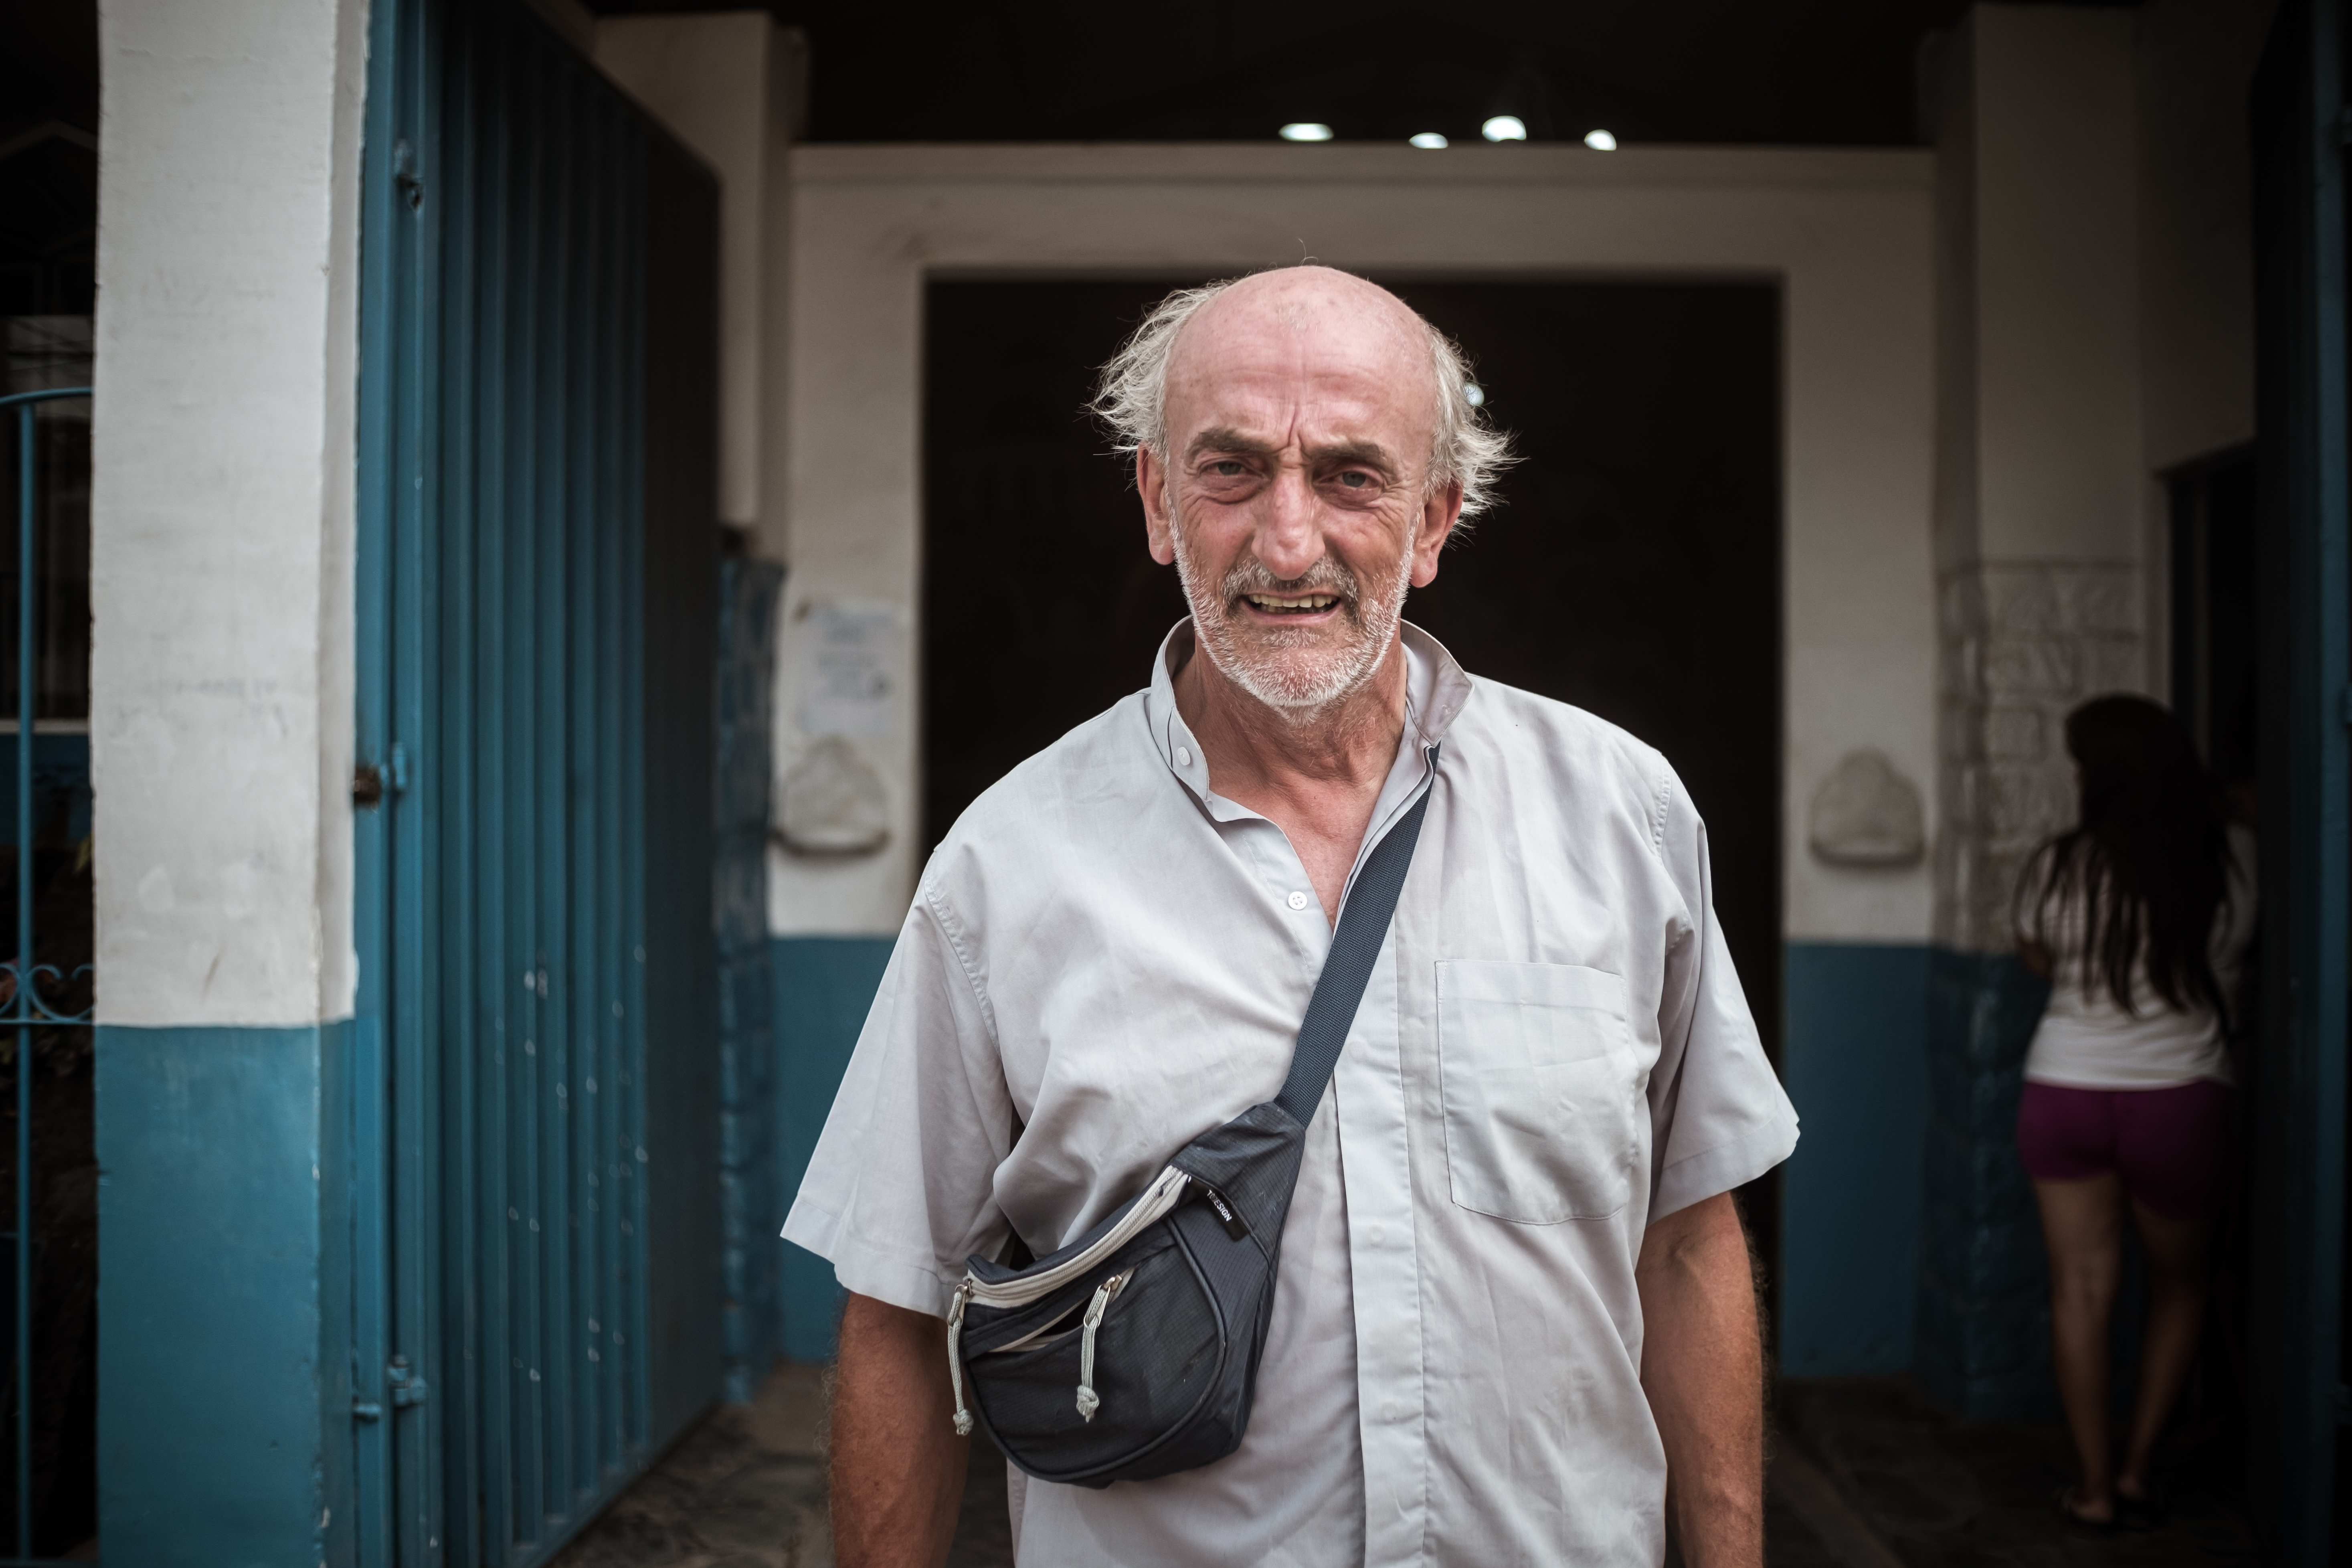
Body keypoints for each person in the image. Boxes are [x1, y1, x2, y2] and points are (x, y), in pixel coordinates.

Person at [783, 266, 1799, 1566]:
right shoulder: (1008, 865)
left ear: (1433, 520)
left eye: (1349, 477)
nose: (1285, 539)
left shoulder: (1618, 815)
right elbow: (894, 1306)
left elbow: (1685, 1237)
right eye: (1230, 469)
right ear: (1156, 499)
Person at [2012, 695, 2255, 1529]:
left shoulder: (2060, 866)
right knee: (2180, 1288)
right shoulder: (2232, 861)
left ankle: (2091, 1488)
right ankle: (2142, 1467)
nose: (2074, 777)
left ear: (2104, 779)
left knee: (2080, 1293)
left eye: (2081, 764)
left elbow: (2039, 954)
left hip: (2066, 1090)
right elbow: (2238, 952)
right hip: (2179, 1099)